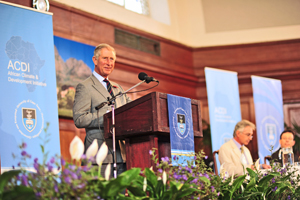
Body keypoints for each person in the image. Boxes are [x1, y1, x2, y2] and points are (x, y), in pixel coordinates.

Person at [73, 43, 131, 177]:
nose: (109, 63)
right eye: (105, 58)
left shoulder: (119, 89)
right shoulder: (85, 87)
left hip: (121, 155)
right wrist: (107, 118)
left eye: (112, 59)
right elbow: (79, 119)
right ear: (95, 60)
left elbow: (131, 110)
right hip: (98, 155)